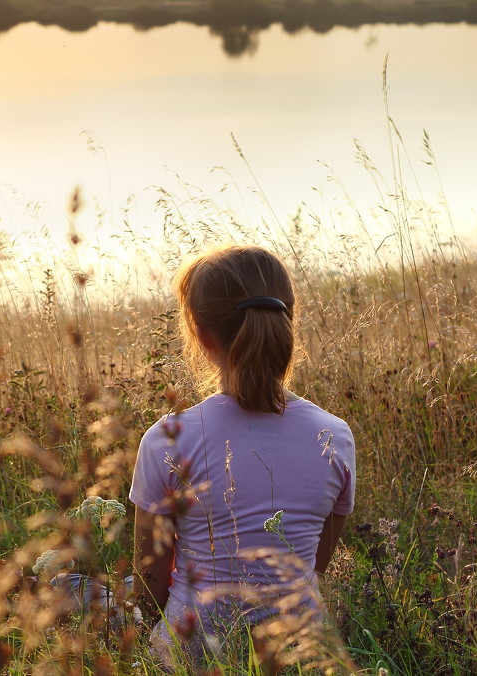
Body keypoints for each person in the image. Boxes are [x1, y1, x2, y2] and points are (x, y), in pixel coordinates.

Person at [129, 245, 356, 666]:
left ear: (201, 334)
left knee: (79, 586)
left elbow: (150, 586)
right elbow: (313, 565)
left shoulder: (166, 440)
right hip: (301, 657)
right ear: (288, 320)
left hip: (191, 655)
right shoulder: (334, 437)